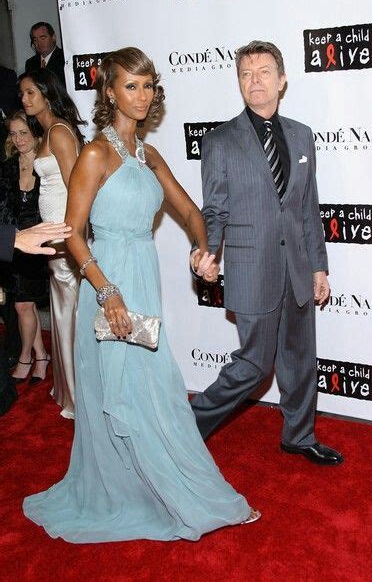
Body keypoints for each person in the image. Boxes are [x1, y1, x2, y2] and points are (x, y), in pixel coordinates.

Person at [22, 47, 259, 543]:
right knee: (118, 393)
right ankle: (121, 490)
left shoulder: (148, 155)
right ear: (109, 92)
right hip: (106, 280)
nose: (142, 95)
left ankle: (159, 486)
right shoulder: (95, 154)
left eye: (148, 85)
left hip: (143, 279)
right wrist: (107, 290)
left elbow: (193, 213)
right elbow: (73, 233)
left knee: (154, 391)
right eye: (131, 85)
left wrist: (204, 250)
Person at [190, 40, 343, 466]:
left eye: (263, 72)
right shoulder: (220, 140)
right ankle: (187, 427)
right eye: (245, 73)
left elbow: (307, 208)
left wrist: (318, 266)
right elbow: (214, 209)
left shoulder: (302, 135)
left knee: (299, 361)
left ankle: (299, 435)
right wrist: (205, 251)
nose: (254, 81)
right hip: (252, 267)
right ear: (238, 82)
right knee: (254, 366)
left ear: (282, 79)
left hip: (296, 268)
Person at [19, 68, 85, 418]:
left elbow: (79, 188)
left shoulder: (59, 131)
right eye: (22, 95)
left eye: (31, 93)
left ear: (46, 92)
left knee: (71, 316)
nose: (25, 100)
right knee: (63, 314)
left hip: (66, 238)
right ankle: (71, 390)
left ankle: (81, 396)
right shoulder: (45, 132)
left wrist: (70, 238)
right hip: (53, 237)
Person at [0, 221, 71, 416]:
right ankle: (35, 356)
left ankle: (38, 357)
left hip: (33, 244)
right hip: (18, 243)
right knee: (21, 306)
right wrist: (10, 237)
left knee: (25, 304)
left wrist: (11, 238)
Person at [1, 111, 50, 386]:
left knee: (23, 306)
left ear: (35, 134)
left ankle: (25, 357)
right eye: (13, 133)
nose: (18, 139)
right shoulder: (6, 167)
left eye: (23, 133)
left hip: (39, 244)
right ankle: (40, 355)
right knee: (23, 306)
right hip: (14, 243)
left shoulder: (47, 164)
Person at [25, 23, 66, 87]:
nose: (39, 43)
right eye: (35, 40)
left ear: (53, 37)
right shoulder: (30, 63)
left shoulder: (65, 58)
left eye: (43, 38)